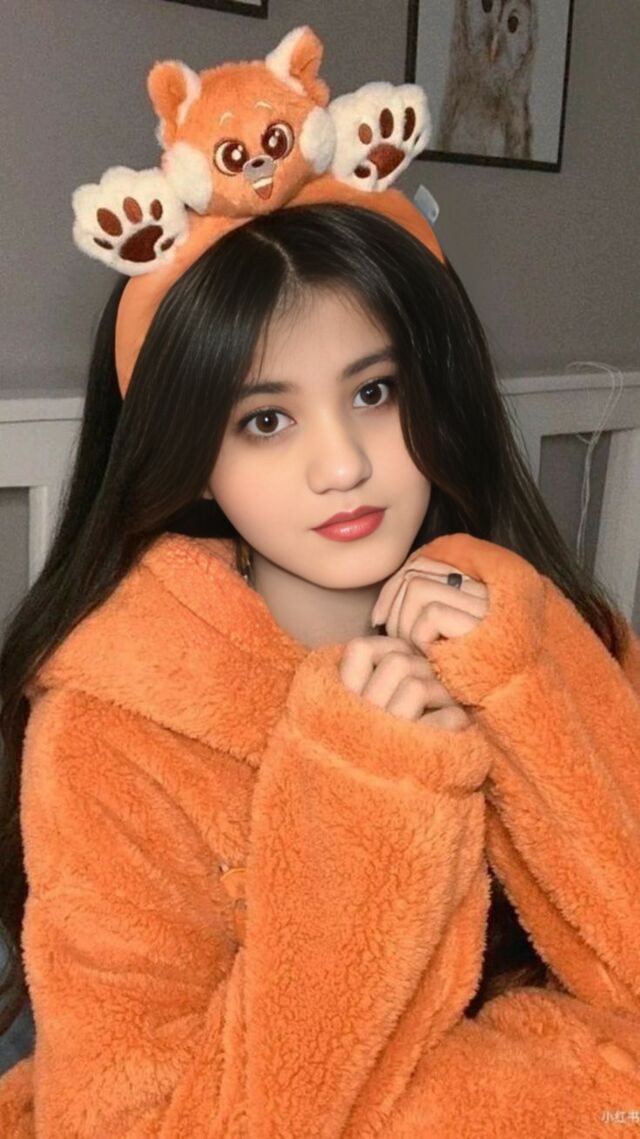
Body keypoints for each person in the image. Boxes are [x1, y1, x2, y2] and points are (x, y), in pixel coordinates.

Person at [1, 28, 640, 1137]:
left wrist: (526, 678)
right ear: (192, 451)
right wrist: (369, 792)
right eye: (265, 419)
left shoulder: (551, 628)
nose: (340, 465)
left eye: (376, 392)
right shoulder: (111, 735)